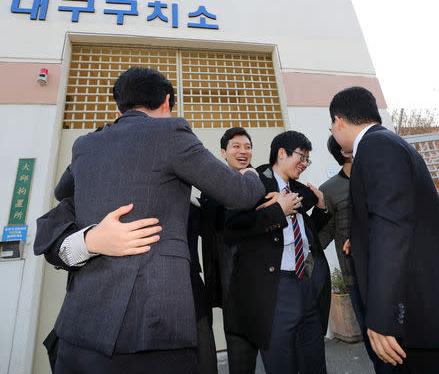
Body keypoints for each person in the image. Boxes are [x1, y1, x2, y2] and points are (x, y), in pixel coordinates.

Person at [34, 66, 265, 374]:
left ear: (121, 105)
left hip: (80, 328)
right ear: (167, 102)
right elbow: (241, 196)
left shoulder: (86, 143)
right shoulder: (170, 133)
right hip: (153, 328)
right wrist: (251, 175)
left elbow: (63, 190)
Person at [329, 86, 439, 373]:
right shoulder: (387, 143)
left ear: (339, 121)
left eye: (332, 125)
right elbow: (396, 219)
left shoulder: (376, 147)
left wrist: (382, 317)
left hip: (416, 314)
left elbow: (391, 227)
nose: (333, 130)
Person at [224, 131, 331, 374]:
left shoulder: (301, 192)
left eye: (307, 160)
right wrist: (277, 210)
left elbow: (306, 233)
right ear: (282, 153)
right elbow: (232, 229)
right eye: (301, 157)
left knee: (314, 361)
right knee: (282, 363)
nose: (304, 164)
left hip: (307, 284)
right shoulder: (254, 182)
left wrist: (322, 209)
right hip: (276, 289)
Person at [318, 135, 395, 374]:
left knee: (402, 334)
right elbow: (323, 236)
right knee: (374, 343)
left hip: (391, 270)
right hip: (356, 279)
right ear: (344, 151)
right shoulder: (329, 190)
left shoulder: (379, 179)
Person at [199, 127, 258, 374]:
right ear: (223, 152)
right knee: (241, 362)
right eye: (236, 146)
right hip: (232, 287)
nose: (243, 151)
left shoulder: (261, 180)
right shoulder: (211, 189)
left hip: (267, 284)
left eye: (247, 146)